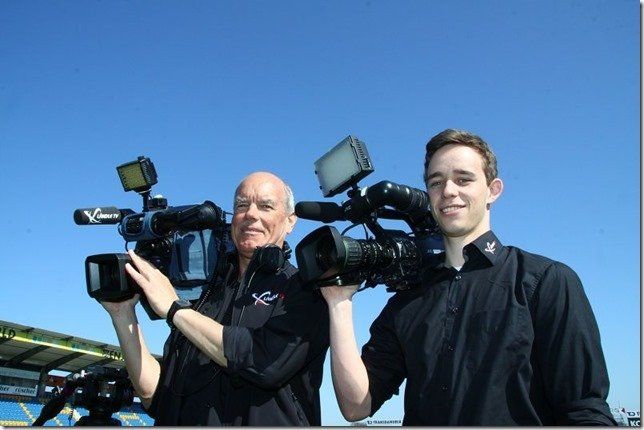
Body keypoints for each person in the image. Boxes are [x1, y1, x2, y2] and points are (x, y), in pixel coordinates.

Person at [320, 129, 616, 425]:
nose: (448, 191)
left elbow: (584, 410)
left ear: (493, 190)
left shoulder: (546, 281)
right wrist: (338, 303)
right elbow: (356, 406)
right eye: (436, 182)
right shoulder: (406, 300)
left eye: (463, 179)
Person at [101, 171, 329, 425]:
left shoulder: (307, 290)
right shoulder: (205, 292)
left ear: (290, 221)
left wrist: (175, 310)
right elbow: (153, 396)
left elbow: (265, 364)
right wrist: (122, 314)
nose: (250, 214)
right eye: (241, 205)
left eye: (266, 206)